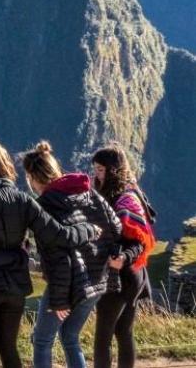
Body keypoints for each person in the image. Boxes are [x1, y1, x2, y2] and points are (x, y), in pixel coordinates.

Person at [0, 137, 101, 368]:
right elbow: (59, 235)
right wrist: (88, 229)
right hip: (15, 285)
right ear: (4, 163)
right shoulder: (23, 200)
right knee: (9, 349)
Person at [21, 141, 122, 368]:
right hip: (96, 280)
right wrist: (105, 253)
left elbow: (57, 258)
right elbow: (116, 226)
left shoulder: (44, 207)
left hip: (67, 284)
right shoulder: (86, 191)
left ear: (33, 177)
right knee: (69, 336)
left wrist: (58, 300)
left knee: (42, 340)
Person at [91, 145, 156, 368]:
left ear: (112, 170)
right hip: (133, 275)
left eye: (100, 170)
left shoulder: (126, 200)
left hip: (122, 277)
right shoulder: (126, 192)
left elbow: (140, 240)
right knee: (123, 332)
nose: (96, 175)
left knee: (103, 338)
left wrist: (123, 258)